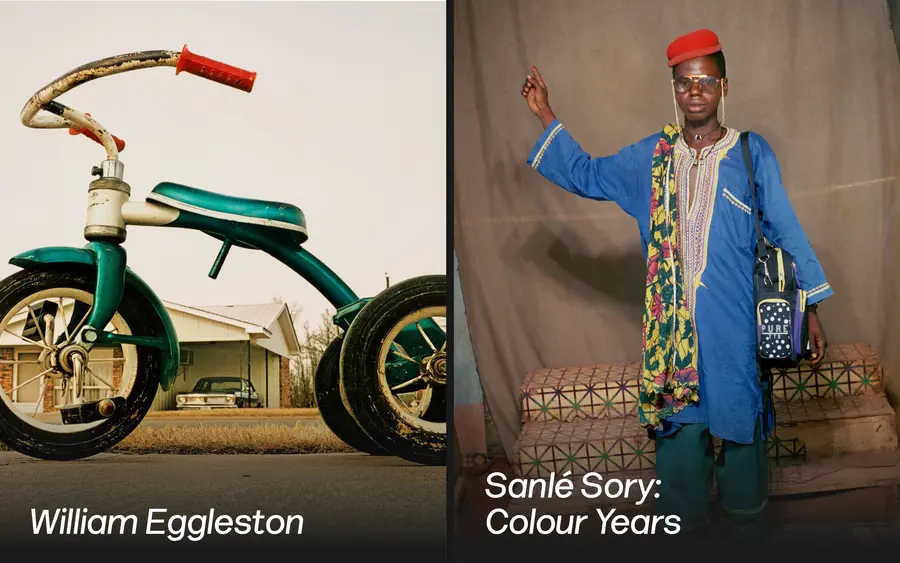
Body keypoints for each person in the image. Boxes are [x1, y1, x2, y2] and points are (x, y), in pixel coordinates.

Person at [520, 28, 831, 537]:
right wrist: (545, 114)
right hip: (672, 345)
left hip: (735, 338)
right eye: (684, 81)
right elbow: (586, 173)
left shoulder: (752, 154)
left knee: (743, 454)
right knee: (680, 467)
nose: (695, 89)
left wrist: (811, 310)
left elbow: (785, 231)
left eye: (705, 80)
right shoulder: (651, 158)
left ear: (723, 87)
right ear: (674, 89)